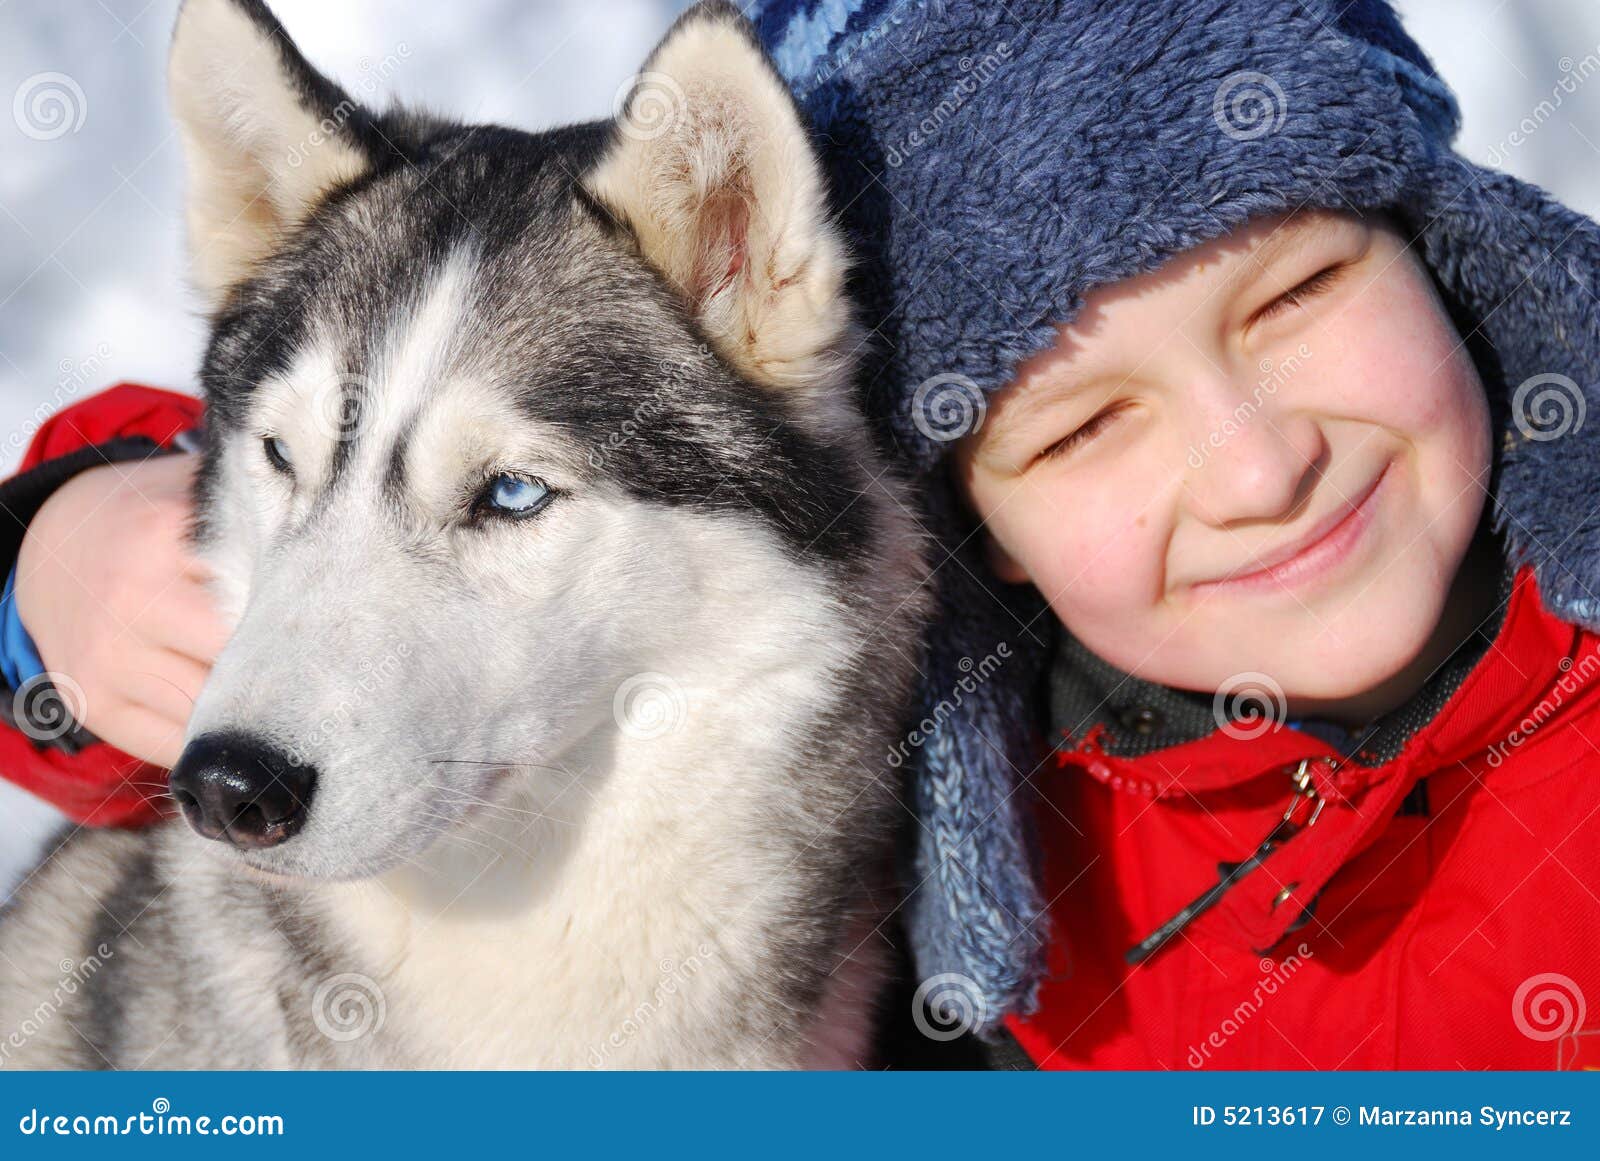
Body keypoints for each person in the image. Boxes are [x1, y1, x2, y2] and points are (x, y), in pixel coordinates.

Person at [4, 0, 1600, 1068]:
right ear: (969, 516)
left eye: (1302, 292)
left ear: (1461, 249)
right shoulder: (993, 746)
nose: (1255, 469)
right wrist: (46, 571)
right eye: (1079, 424)